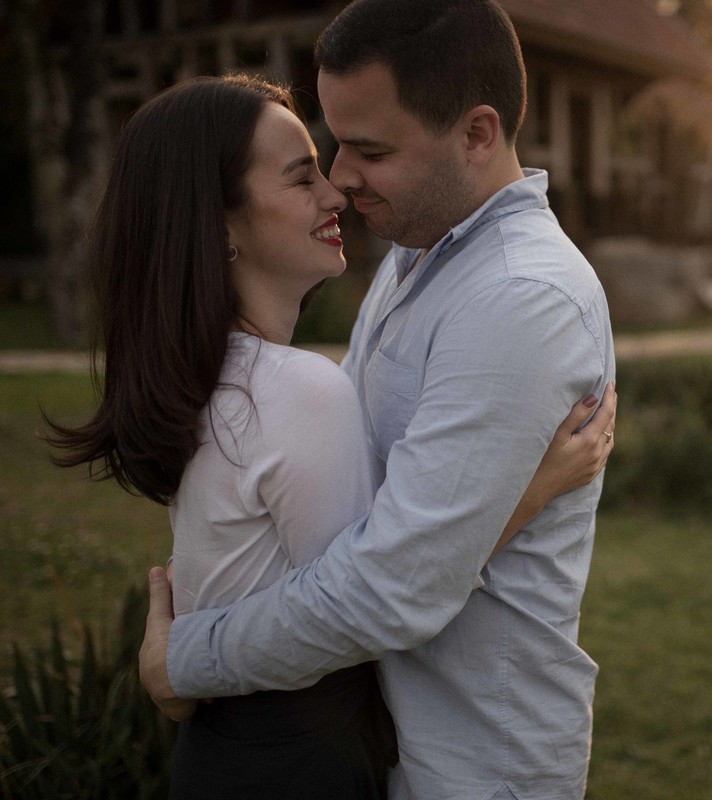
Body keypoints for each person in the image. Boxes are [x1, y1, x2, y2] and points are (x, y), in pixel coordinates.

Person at [46, 73, 614, 798]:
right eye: (302, 176)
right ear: (219, 221)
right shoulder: (295, 387)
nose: (337, 190)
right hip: (296, 753)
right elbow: (384, 584)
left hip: (234, 747)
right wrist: (520, 498)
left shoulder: (216, 375)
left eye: (340, 159)